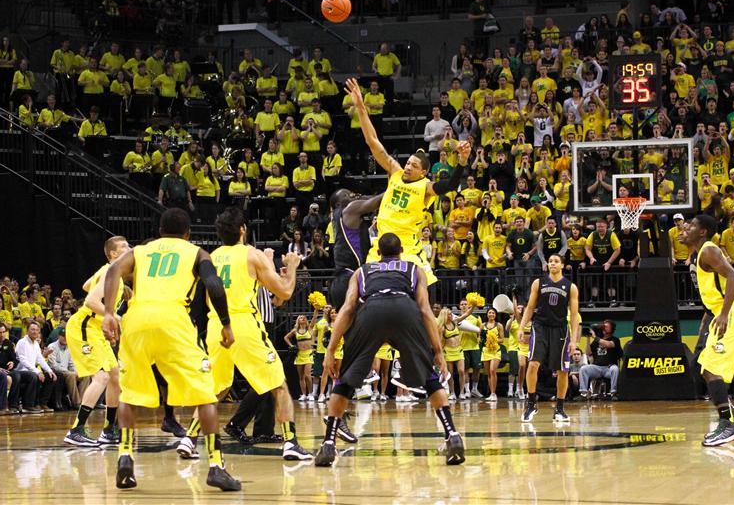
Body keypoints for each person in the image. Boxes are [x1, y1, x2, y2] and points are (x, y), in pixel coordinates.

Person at [100, 208, 239, 491]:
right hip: (174, 320)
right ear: (187, 233)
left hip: (136, 320)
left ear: (160, 231)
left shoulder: (141, 251)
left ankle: (125, 455)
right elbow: (213, 284)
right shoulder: (197, 252)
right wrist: (225, 323)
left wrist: (108, 313)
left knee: (129, 391)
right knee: (205, 395)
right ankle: (216, 466)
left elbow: (113, 270)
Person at [315, 233, 465, 467]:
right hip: (405, 309)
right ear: (401, 250)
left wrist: (330, 350)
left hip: (371, 311)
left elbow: (347, 308)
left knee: (346, 379)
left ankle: (328, 444)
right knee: (429, 377)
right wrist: (437, 350)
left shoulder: (362, 271)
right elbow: (425, 309)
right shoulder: (414, 269)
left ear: (378, 252)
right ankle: (452, 436)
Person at [176, 207, 312, 462]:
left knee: (216, 388)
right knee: (279, 385)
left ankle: (189, 438)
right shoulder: (252, 254)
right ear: (242, 230)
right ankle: (291, 442)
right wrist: (292, 267)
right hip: (244, 323)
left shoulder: (211, 256)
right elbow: (284, 293)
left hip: (216, 324)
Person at [345, 78, 470, 287]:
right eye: (408, 163)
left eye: (413, 165)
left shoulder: (425, 188)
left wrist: (462, 162)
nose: (408, 167)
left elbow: (448, 186)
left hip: (408, 248)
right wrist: (360, 106)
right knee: (363, 286)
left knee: (425, 289)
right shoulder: (395, 172)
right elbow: (373, 142)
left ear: (423, 172)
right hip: (381, 243)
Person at [680, 214, 734, 447]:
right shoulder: (698, 254)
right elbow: (717, 289)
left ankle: (728, 424)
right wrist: (710, 316)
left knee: (711, 369)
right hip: (719, 314)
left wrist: (723, 313)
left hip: (730, 314)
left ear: (702, 232)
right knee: (700, 366)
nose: (684, 228)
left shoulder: (709, 249)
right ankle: (731, 411)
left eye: (690, 226)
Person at [63, 236, 130, 447]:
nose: (129, 248)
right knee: (100, 377)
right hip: (83, 327)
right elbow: (90, 300)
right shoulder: (111, 273)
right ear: (114, 254)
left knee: (115, 376)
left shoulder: (111, 273)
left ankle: (110, 430)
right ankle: (76, 430)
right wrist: (114, 316)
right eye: (124, 246)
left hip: (95, 330)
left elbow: (86, 286)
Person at [518, 254, 580, 423]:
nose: (552, 263)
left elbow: (574, 316)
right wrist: (522, 327)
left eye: (556, 261)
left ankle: (559, 409)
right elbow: (530, 307)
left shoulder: (571, 287)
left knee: (562, 371)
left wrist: (574, 340)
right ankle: (531, 404)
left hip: (560, 330)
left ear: (562, 265)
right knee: (533, 364)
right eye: (550, 261)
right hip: (540, 327)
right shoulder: (538, 283)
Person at [578, 319, 622, 400]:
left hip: (608, 368)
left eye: (606, 326)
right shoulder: (596, 340)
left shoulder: (615, 339)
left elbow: (609, 344)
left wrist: (595, 337)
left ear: (612, 329)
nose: (604, 328)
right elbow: (588, 353)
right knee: (584, 369)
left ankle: (613, 393)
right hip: (597, 367)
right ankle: (583, 393)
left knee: (615, 369)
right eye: (603, 326)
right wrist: (588, 338)